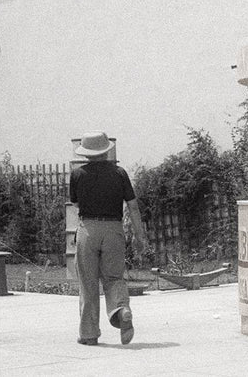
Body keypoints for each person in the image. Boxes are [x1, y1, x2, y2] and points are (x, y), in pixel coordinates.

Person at [69, 131, 148, 346]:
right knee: (114, 277)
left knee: (88, 282)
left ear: (86, 153)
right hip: (113, 228)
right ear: (106, 151)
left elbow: (75, 204)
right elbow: (133, 206)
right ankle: (121, 309)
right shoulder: (119, 173)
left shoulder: (77, 174)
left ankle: (89, 334)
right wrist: (140, 236)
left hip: (88, 229)